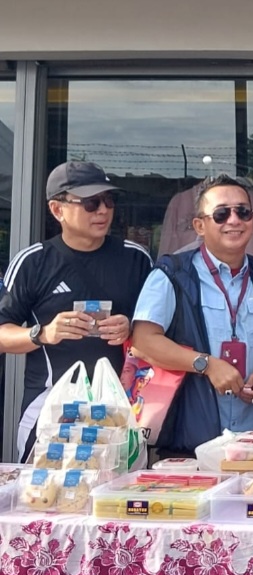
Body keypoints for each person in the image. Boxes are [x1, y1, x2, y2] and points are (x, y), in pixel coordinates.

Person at [0, 161, 153, 460]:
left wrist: (131, 330)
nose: (103, 211)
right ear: (57, 209)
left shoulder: (136, 259)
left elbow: (161, 331)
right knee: (47, 487)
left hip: (121, 410)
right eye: (91, 202)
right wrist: (43, 333)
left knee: (116, 488)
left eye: (109, 200)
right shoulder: (33, 262)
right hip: (52, 409)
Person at [131, 175, 253, 458]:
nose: (234, 220)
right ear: (199, 225)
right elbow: (143, 341)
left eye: (243, 212)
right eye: (221, 214)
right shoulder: (173, 273)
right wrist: (207, 364)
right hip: (189, 446)